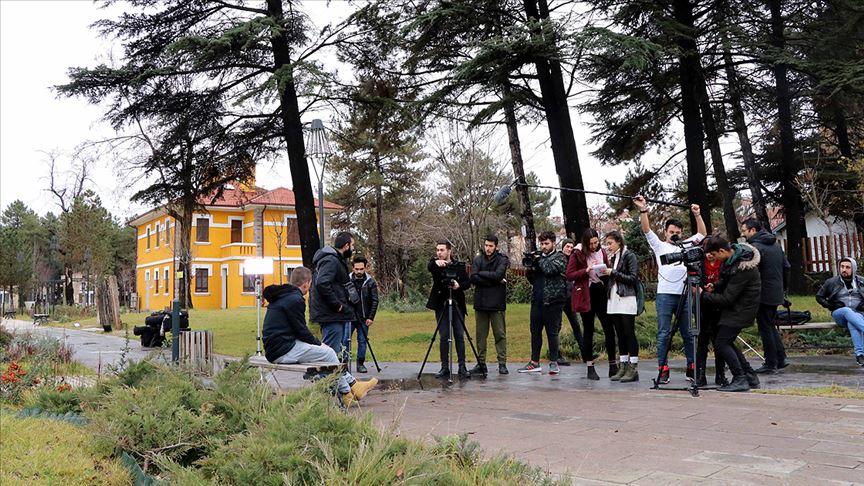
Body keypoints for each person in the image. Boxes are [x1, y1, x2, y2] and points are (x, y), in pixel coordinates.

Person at [262, 266, 377, 407]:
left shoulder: (283, 296)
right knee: (328, 353)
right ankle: (347, 391)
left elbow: (295, 329)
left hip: (276, 347)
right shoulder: (295, 299)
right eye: (310, 284)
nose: (310, 288)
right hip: (282, 351)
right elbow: (301, 330)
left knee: (326, 353)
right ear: (306, 284)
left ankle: (353, 386)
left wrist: (315, 343)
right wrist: (318, 343)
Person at [633, 196, 706, 383]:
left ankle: (691, 367)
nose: (675, 234)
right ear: (665, 232)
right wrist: (643, 210)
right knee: (664, 332)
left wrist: (697, 215)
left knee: (688, 333)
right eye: (671, 231)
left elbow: (702, 234)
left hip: (684, 293)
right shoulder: (660, 246)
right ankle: (663, 368)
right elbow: (646, 230)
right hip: (665, 295)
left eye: (678, 232)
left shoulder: (686, 244)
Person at [701, 235, 762, 392]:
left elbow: (728, 298)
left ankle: (740, 378)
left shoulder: (743, 267)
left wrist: (703, 295)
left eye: (714, 255)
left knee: (721, 343)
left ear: (721, 251)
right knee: (727, 341)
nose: (713, 259)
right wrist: (715, 286)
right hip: (738, 307)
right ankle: (749, 376)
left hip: (742, 309)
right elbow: (728, 279)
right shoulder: (733, 259)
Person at [566, 229, 617, 380]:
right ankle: (590, 366)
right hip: (586, 293)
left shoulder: (601, 252)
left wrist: (606, 271)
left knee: (608, 327)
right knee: (588, 329)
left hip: (601, 290)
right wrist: (585, 270)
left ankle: (613, 364)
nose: (594, 246)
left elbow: (607, 266)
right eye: (591, 244)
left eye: (596, 242)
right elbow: (569, 275)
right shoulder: (578, 254)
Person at [740, 218, 790, 373]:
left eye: (744, 231)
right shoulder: (775, 246)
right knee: (770, 325)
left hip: (762, 293)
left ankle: (770, 363)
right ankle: (780, 358)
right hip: (776, 293)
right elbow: (786, 267)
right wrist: (783, 289)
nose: (743, 234)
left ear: (753, 230)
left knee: (765, 327)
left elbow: (750, 272)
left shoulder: (754, 248)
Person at [519, 231, 568, 374]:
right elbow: (532, 278)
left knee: (552, 332)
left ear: (553, 243)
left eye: (546, 243)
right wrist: (531, 266)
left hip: (553, 301)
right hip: (537, 299)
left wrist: (539, 259)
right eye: (542, 243)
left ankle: (554, 362)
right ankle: (534, 362)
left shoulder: (560, 257)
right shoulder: (539, 259)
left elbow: (550, 268)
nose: (544, 246)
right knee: (535, 331)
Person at [427, 240, 472, 379]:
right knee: (444, 336)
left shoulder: (459, 266)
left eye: (442, 250)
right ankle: (444, 367)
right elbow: (430, 267)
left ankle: (462, 366)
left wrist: (459, 285)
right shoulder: (435, 264)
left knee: (459, 335)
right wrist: (435, 262)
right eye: (437, 250)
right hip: (442, 304)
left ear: (449, 251)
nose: (439, 253)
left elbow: (467, 282)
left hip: (457, 303)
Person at [602, 231, 641, 383]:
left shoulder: (629, 255)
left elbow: (633, 278)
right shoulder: (613, 257)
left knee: (628, 332)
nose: (608, 246)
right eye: (607, 243)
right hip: (614, 298)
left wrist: (614, 272)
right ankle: (623, 365)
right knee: (619, 333)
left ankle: (633, 367)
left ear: (619, 241)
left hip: (626, 298)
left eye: (610, 243)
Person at [310, 231, 356, 358]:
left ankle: (335, 377)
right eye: (352, 246)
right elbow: (322, 283)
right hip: (330, 315)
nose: (353, 249)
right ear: (346, 246)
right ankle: (324, 377)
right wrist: (337, 305)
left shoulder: (335, 260)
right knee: (330, 353)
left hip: (332, 314)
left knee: (333, 352)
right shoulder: (331, 260)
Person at [469, 235, 510, 376]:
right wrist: (491, 279)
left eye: (491, 246)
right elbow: (473, 277)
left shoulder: (502, 259)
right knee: (480, 336)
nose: (488, 248)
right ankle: (481, 363)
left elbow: (499, 275)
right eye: (486, 245)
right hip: (480, 302)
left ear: (496, 246)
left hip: (497, 303)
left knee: (500, 334)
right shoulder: (478, 259)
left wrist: (482, 275)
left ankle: (502, 363)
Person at [816, 258, 864, 366]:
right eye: (842, 267)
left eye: (847, 267)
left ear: (854, 269)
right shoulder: (832, 282)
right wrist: (830, 305)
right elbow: (819, 296)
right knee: (847, 311)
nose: (844, 270)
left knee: (852, 322)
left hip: (859, 314)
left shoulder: (861, 281)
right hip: (840, 314)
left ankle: (860, 355)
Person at [694, 245, 727, 387]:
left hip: (719, 304)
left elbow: (726, 281)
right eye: (706, 252)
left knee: (719, 342)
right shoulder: (699, 265)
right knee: (702, 342)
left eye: (712, 253)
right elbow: (694, 281)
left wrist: (715, 286)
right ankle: (700, 374)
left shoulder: (724, 264)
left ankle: (720, 374)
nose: (709, 255)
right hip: (702, 306)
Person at [346, 256, 379, 373]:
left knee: (362, 340)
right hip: (349, 317)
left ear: (365, 268)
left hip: (364, 317)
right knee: (345, 340)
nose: (359, 271)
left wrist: (371, 317)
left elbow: (375, 300)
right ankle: (344, 364)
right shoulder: (347, 280)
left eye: (361, 269)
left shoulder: (370, 282)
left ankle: (360, 363)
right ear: (353, 268)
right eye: (356, 269)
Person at [557, 238, 584, 367]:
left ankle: (585, 353)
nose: (569, 249)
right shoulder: (558, 259)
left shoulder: (573, 260)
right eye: (567, 246)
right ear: (563, 247)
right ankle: (556, 354)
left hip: (569, 297)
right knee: (557, 326)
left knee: (576, 325)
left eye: (571, 247)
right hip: (559, 297)